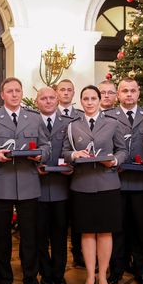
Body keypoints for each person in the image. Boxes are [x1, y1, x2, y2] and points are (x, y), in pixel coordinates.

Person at [0, 77, 50, 284]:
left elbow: (47, 145)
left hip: (28, 182)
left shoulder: (34, 118)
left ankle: (30, 279)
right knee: (0, 236)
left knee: (30, 235)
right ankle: (4, 279)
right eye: (10, 91)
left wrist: (41, 154)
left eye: (18, 90)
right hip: (1, 182)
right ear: (2, 94)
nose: (15, 94)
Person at [62, 85, 127, 284]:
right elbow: (64, 150)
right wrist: (74, 155)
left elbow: (123, 149)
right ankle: (90, 275)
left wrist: (115, 160)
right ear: (81, 102)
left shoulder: (112, 123)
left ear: (99, 100)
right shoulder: (72, 126)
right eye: (86, 99)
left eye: (93, 98)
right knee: (87, 232)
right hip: (82, 185)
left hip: (107, 183)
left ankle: (103, 276)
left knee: (105, 231)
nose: (89, 102)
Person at [108, 78, 143, 284]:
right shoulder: (109, 116)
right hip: (115, 181)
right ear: (118, 94)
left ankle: (141, 270)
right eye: (124, 91)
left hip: (141, 182)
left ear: (138, 93)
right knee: (117, 228)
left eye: (132, 90)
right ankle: (116, 269)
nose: (128, 94)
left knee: (140, 229)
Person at [35, 86, 73, 284]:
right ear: (36, 102)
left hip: (61, 187)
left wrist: (71, 167)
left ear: (58, 100)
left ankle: (58, 273)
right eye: (43, 98)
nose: (48, 101)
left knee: (59, 233)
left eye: (52, 98)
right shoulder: (30, 122)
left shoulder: (68, 123)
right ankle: (44, 272)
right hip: (37, 188)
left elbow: (75, 149)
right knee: (39, 233)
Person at [55, 79, 85, 268]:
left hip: (76, 174)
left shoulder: (81, 116)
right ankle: (58, 258)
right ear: (56, 92)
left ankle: (78, 253)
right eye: (62, 90)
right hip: (54, 175)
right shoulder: (48, 113)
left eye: (69, 90)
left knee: (77, 216)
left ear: (74, 93)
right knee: (58, 220)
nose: (66, 93)